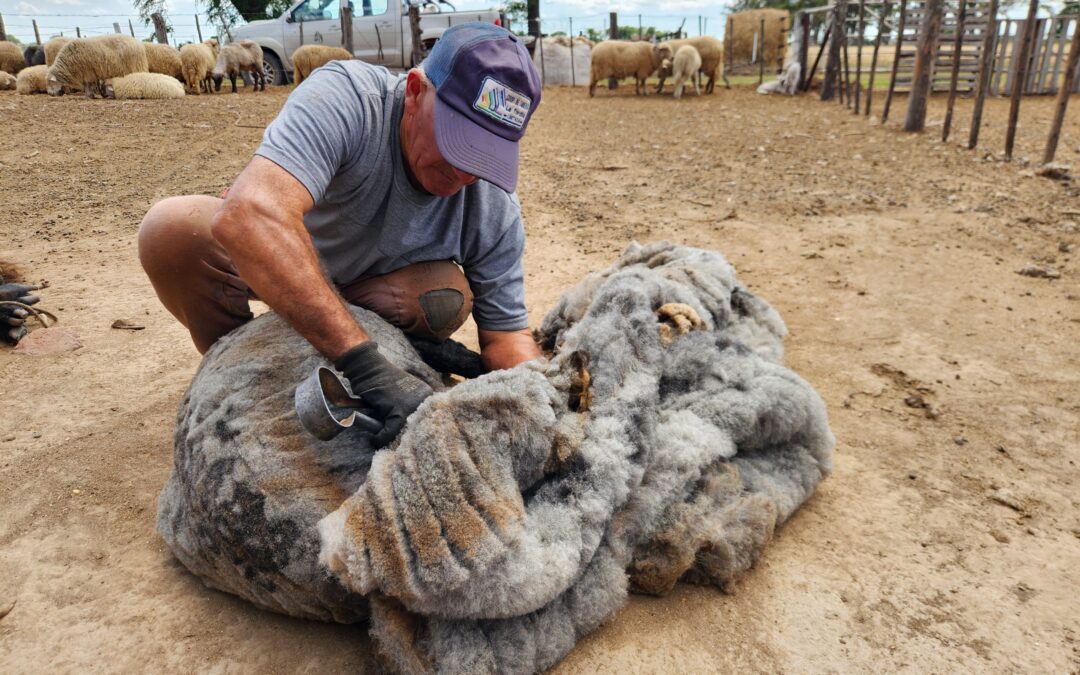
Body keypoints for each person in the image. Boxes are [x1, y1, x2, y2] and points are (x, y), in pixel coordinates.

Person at [138, 23, 543, 445]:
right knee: (171, 231)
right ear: (414, 92)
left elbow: (507, 336)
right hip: (285, 264)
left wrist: (537, 406)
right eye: (457, 143)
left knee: (444, 296)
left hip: (374, 292)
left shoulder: (493, 203)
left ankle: (386, 356)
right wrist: (366, 366)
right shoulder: (348, 98)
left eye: (486, 156)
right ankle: (244, 373)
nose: (464, 173)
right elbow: (250, 216)